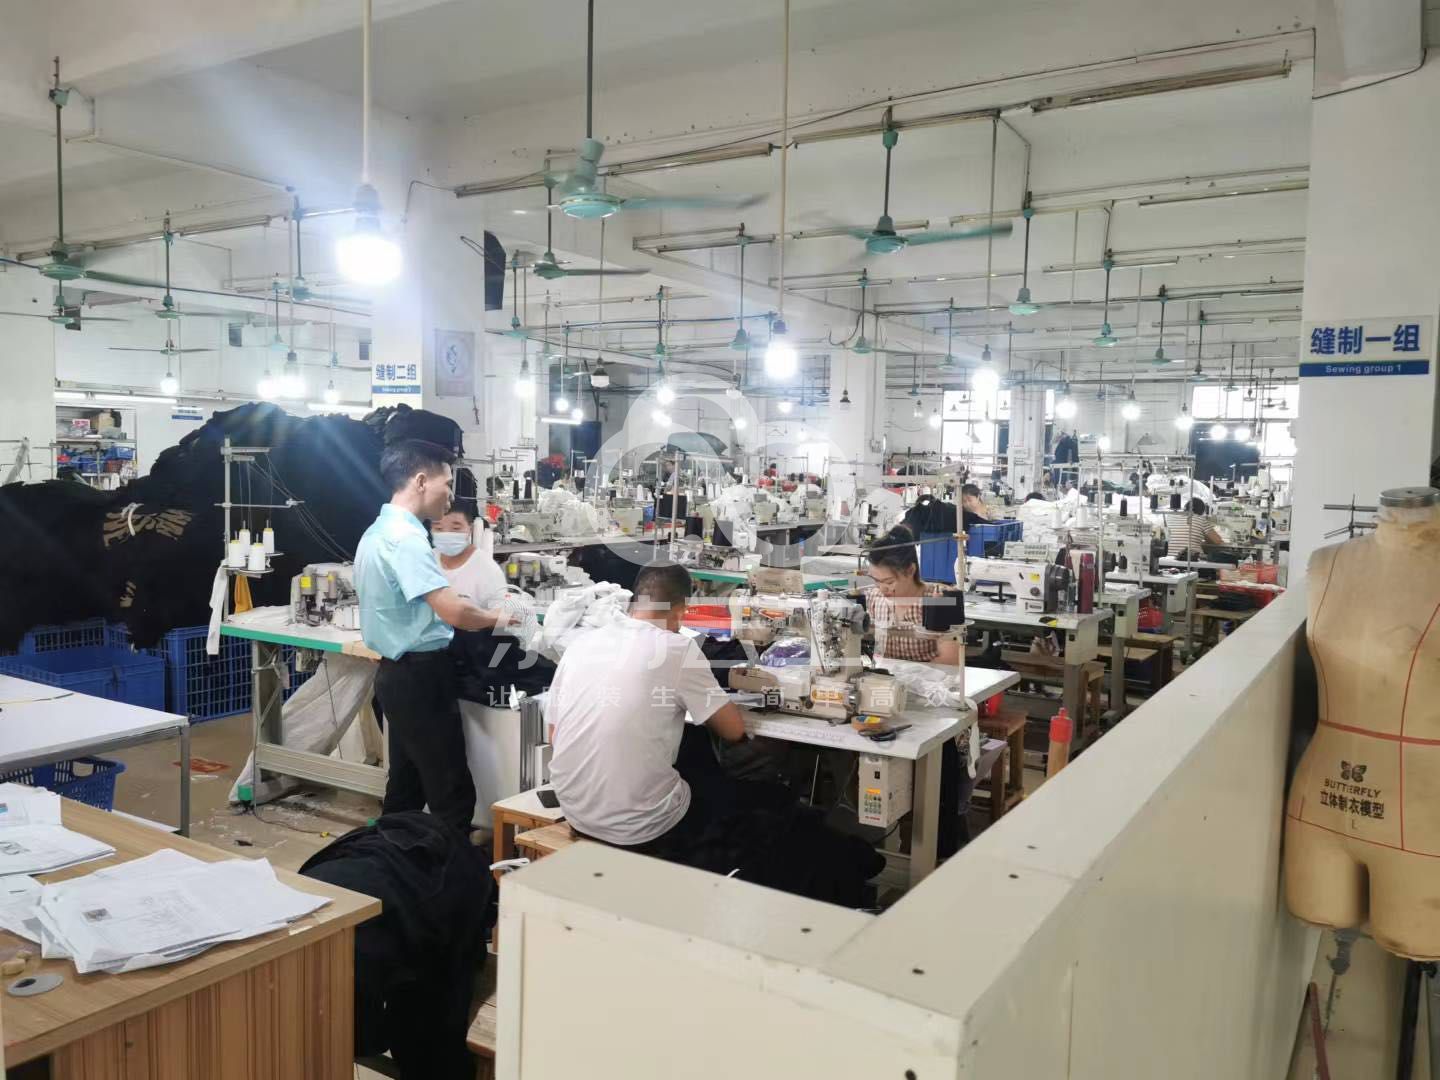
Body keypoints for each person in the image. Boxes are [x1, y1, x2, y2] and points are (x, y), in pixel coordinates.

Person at [548, 561, 884, 903]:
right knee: (770, 803)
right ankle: (847, 869)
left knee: (694, 756)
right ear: (681, 610)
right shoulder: (676, 649)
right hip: (642, 828)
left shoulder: (583, 643)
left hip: (575, 810)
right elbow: (733, 730)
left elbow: (554, 733)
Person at [354, 440, 510, 832]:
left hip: (396, 673)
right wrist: (504, 617)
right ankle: (448, 868)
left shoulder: (376, 532)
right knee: (450, 794)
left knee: (406, 788)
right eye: (448, 483)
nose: (451, 495)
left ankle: (392, 859)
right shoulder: (406, 540)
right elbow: (454, 612)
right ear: (421, 481)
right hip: (421, 676)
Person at [863, 525, 970, 856]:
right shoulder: (873, 599)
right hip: (886, 700)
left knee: (941, 758)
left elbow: (949, 662)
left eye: (889, 582)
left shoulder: (941, 598)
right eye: (876, 582)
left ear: (910, 570)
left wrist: (907, 677)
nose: (882, 590)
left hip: (932, 706)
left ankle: (938, 845)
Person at [431, 504, 506, 607]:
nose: (446, 534)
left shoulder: (488, 570)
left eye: (455, 528)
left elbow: (500, 613)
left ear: (470, 529)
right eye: (439, 528)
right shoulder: (425, 561)